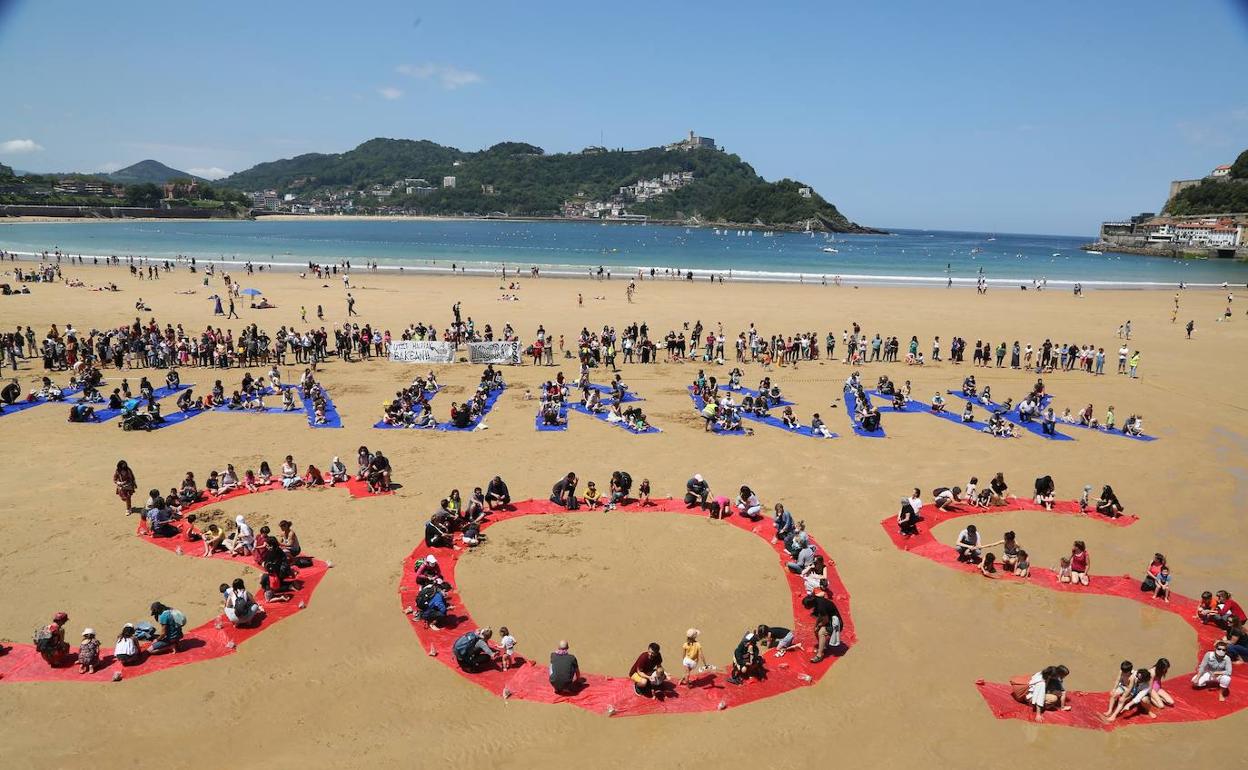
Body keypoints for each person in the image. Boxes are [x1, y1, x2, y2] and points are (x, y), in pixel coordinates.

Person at [802, 593, 841, 663]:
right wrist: (816, 626)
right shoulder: (816, 600)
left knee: (821, 632)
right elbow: (821, 616)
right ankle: (823, 646)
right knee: (816, 630)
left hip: (835, 623)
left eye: (806, 606)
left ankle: (820, 655)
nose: (805, 607)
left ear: (811, 605)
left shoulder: (821, 606)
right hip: (829, 619)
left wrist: (819, 626)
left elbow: (825, 619)